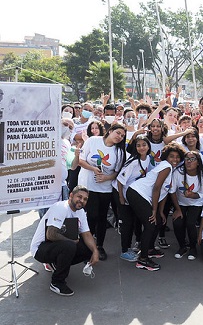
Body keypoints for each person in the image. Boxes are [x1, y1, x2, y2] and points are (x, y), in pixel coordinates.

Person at [30, 186, 99, 296]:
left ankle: (57, 262)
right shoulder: (60, 207)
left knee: (88, 247)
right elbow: (50, 234)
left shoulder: (80, 212)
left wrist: (95, 251)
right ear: (71, 195)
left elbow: (86, 233)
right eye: (79, 197)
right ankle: (57, 282)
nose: (81, 201)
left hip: (57, 245)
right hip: (40, 249)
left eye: (85, 199)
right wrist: (71, 242)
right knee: (69, 246)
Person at [126, 142, 185, 271]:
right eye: (172, 156)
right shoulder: (166, 167)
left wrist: (160, 212)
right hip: (137, 193)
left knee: (158, 221)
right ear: (166, 157)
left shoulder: (171, 169)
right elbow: (156, 188)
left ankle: (150, 249)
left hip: (144, 195)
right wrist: (154, 210)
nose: (175, 159)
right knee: (150, 224)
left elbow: (164, 192)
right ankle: (143, 259)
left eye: (177, 157)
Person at [78, 123, 126, 261]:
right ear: (110, 131)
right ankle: (87, 244)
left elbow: (116, 172)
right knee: (91, 215)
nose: (119, 137)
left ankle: (99, 245)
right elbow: (81, 160)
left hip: (105, 188)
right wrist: (93, 169)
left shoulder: (119, 151)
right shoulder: (93, 141)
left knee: (102, 217)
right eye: (118, 133)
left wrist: (106, 177)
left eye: (122, 136)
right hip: (87, 186)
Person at [170, 150, 203, 260]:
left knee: (190, 223)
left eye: (192, 159)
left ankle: (193, 247)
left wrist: (193, 195)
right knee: (177, 222)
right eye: (187, 159)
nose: (189, 162)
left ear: (198, 163)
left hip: (196, 203)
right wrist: (177, 209)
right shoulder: (178, 173)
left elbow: (201, 194)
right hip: (180, 202)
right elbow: (172, 191)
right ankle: (182, 246)